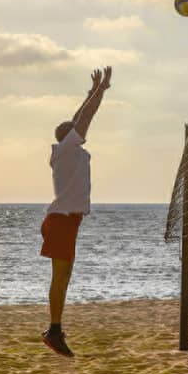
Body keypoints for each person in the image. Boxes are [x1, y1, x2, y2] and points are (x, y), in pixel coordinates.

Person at [40, 66, 112, 358]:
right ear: (69, 136)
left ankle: (55, 329)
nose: (81, 131)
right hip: (60, 221)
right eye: (75, 130)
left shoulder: (69, 149)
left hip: (67, 221)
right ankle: (54, 330)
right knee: (60, 277)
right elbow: (85, 118)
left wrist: (94, 90)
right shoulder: (66, 149)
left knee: (64, 276)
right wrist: (99, 92)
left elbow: (79, 117)